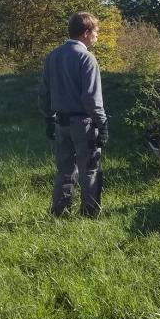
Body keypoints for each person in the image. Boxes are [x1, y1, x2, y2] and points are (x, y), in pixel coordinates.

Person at [38, 12, 108, 217]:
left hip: (61, 122)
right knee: (89, 169)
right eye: (95, 32)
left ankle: (60, 211)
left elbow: (44, 92)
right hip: (83, 123)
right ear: (86, 33)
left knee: (65, 169)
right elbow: (91, 98)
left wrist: (48, 118)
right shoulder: (86, 58)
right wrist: (102, 124)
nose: (97, 36)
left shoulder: (53, 56)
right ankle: (90, 213)